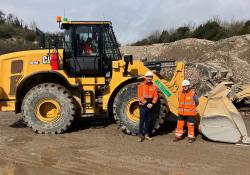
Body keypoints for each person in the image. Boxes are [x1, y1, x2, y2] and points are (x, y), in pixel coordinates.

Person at [137, 71, 158, 142]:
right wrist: (147, 104)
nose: (149, 78)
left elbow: (155, 97)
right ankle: (140, 136)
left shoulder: (154, 87)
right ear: (145, 77)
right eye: (148, 77)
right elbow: (140, 96)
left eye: (150, 77)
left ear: (152, 78)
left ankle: (146, 135)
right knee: (142, 121)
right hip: (143, 106)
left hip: (151, 106)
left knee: (148, 121)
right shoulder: (141, 85)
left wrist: (152, 103)